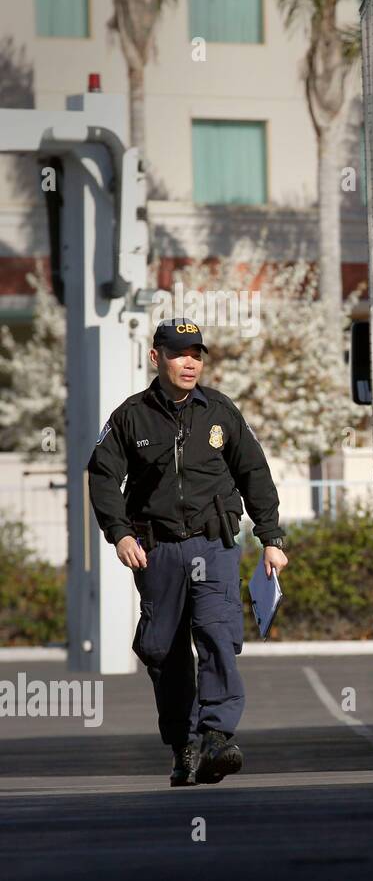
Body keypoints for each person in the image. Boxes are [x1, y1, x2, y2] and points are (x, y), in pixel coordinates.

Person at [86, 318, 289, 787]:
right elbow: (102, 477)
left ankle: (217, 735)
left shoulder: (220, 411)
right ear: (156, 358)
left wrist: (272, 538)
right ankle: (185, 745)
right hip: (156, 551)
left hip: (212, 544)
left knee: (218, 634)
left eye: (196, 353)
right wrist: (119, 534)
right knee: (164, 650)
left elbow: (254, 474)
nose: (190, 362)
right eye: (179, 353)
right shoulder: (129, 417)